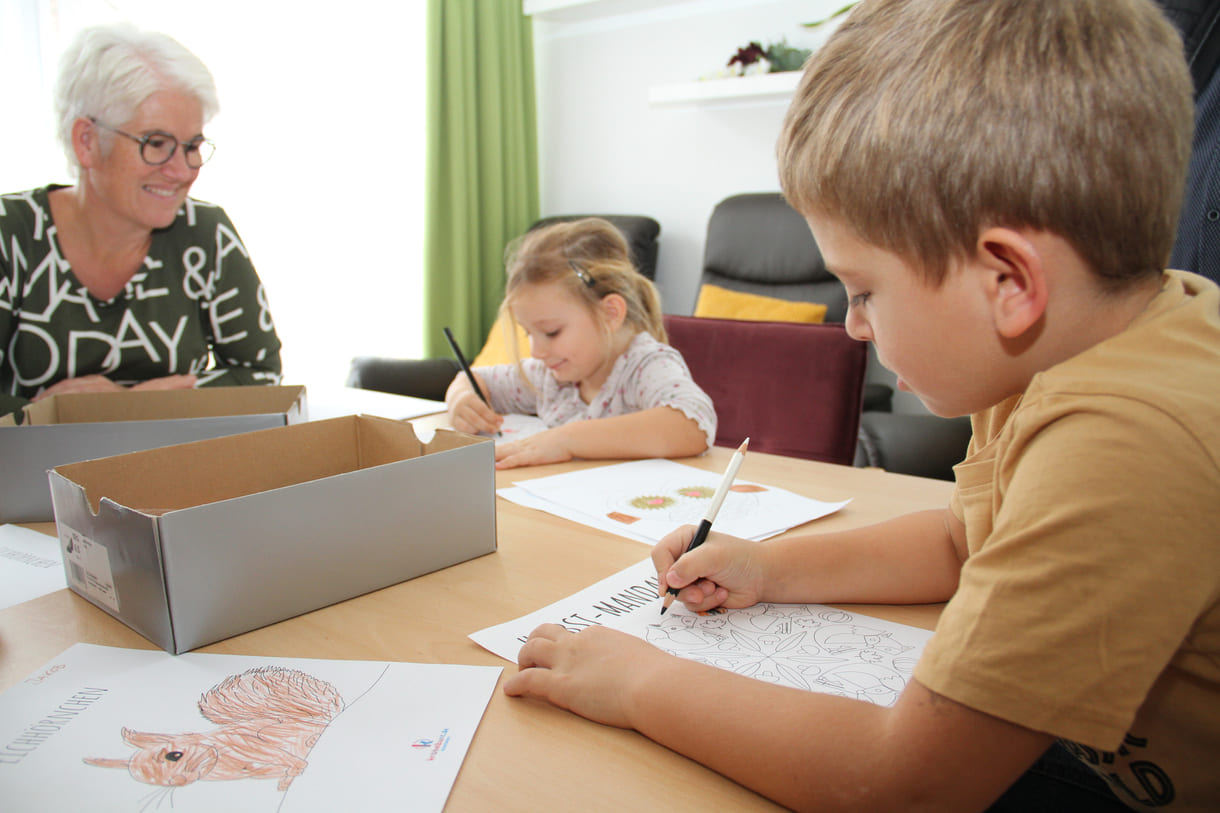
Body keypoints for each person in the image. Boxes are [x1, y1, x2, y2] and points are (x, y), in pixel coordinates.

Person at [503, 1, 1220, 810]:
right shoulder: (1058, 352)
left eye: (865, 290)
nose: (852, 325)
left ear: (1009, 283)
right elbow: (963, 539)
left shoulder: (1123, 442)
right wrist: (768, 567)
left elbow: (904, 782)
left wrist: (637, 680)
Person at [0, 23, 282, 418]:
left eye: (192, 147)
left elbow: (262, 378)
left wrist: (130, 405)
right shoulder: (8, 235)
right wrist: (58, 413)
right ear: (86, 141)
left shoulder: (206, 234)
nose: (183, 171)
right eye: (157, 144)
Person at [445, 217, 715, 469]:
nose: (536, 352)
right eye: (528, 333)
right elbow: (476, 378)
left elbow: (693, 425)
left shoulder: (645, 366)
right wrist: (462, 400)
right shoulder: (547, 376)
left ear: (610, 313)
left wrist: (567, 439)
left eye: (551, 332)